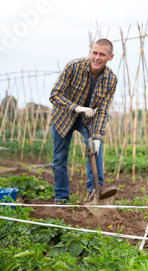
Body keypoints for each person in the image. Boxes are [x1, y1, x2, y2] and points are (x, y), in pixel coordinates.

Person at [50, 38, 118, 204]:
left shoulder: (111, 79)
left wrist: (97, 137)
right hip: (64, 116)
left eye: (102, 54)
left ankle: (96, 189)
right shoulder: (74, 66)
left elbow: (102, 111)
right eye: (94, 52)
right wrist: (76, 108)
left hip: (87, 120)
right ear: (90, 52)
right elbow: (54, 95)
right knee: (60, 158)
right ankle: (61, 198)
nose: (97, 57)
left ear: (110, 57)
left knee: (95, 149)